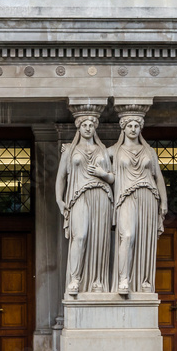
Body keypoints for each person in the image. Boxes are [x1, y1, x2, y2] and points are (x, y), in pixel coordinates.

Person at [108, 110, 168, 294]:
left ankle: (144, 280)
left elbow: (158, 178)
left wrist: (164, 202)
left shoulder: (149, 151)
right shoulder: (113, 151)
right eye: (130, 126)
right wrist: (69, 149)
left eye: (136, 126)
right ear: (123, 128)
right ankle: (123, 279)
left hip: (148, 197)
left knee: (145, 238)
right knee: (127, 235)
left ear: (140, 128)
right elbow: (90, 154)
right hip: (126, 197)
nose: (133, 129)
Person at [56, 109, 114, 295]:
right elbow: (61, 178)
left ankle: (97, 281)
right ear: (79, 127)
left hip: (101, 195)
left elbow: (113, 178)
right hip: (78, 196)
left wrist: (102, 174)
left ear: (95, 127)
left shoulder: (102, 150)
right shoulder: (70, 149)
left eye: (91, 125)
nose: (88, 128)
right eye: (84, 125)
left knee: (99, 239)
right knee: (79, 236)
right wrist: (59, 199)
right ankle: (75, 279)